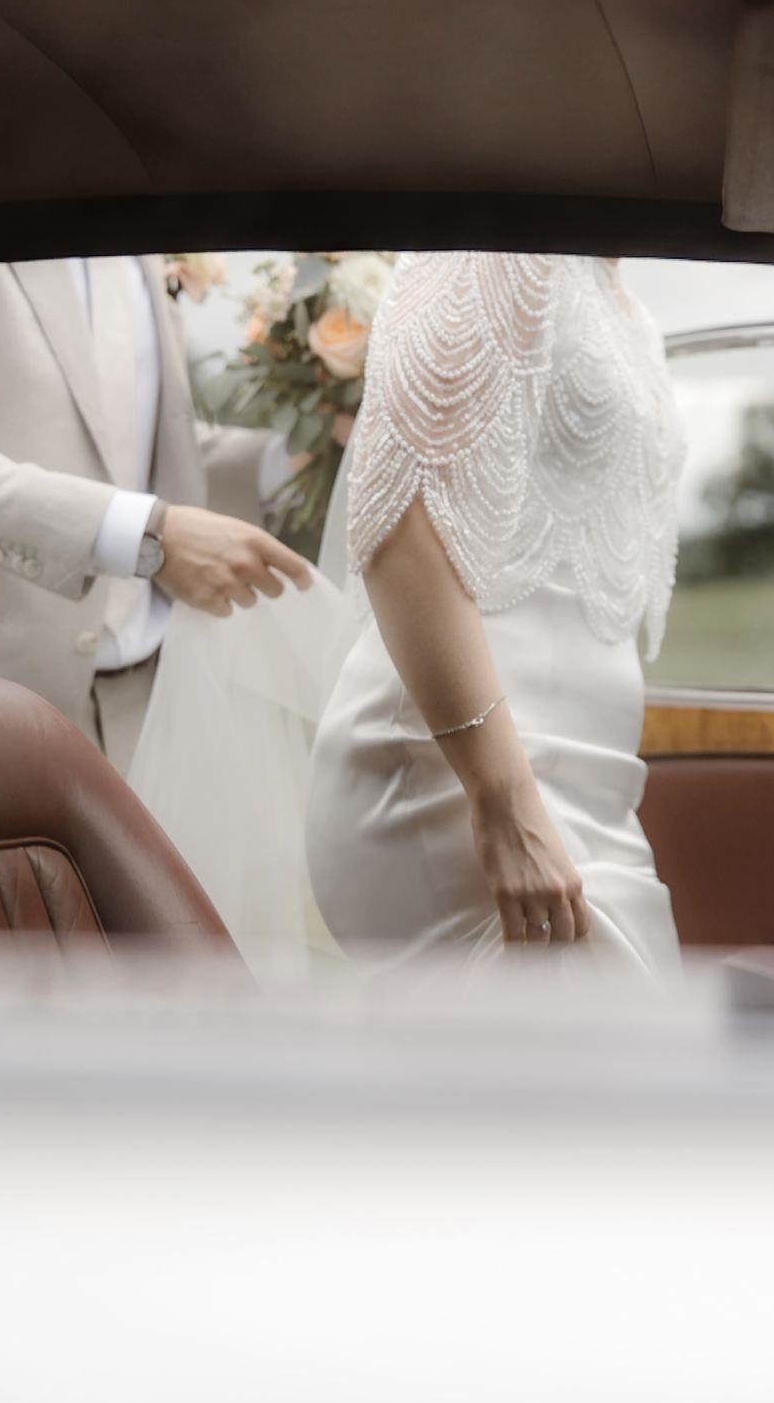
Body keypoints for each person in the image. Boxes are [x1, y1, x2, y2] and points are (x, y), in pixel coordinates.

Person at [136, 251, 686, 977]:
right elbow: (401, 527)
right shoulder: (490, 251)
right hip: (457, 775)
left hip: (590, 783)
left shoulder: (620, 295)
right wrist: (503, 802)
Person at [0, 257, 310, 772]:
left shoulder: (133, 234)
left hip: (141, 703)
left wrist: (287, 463)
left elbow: (120, 442)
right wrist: (143, 537)